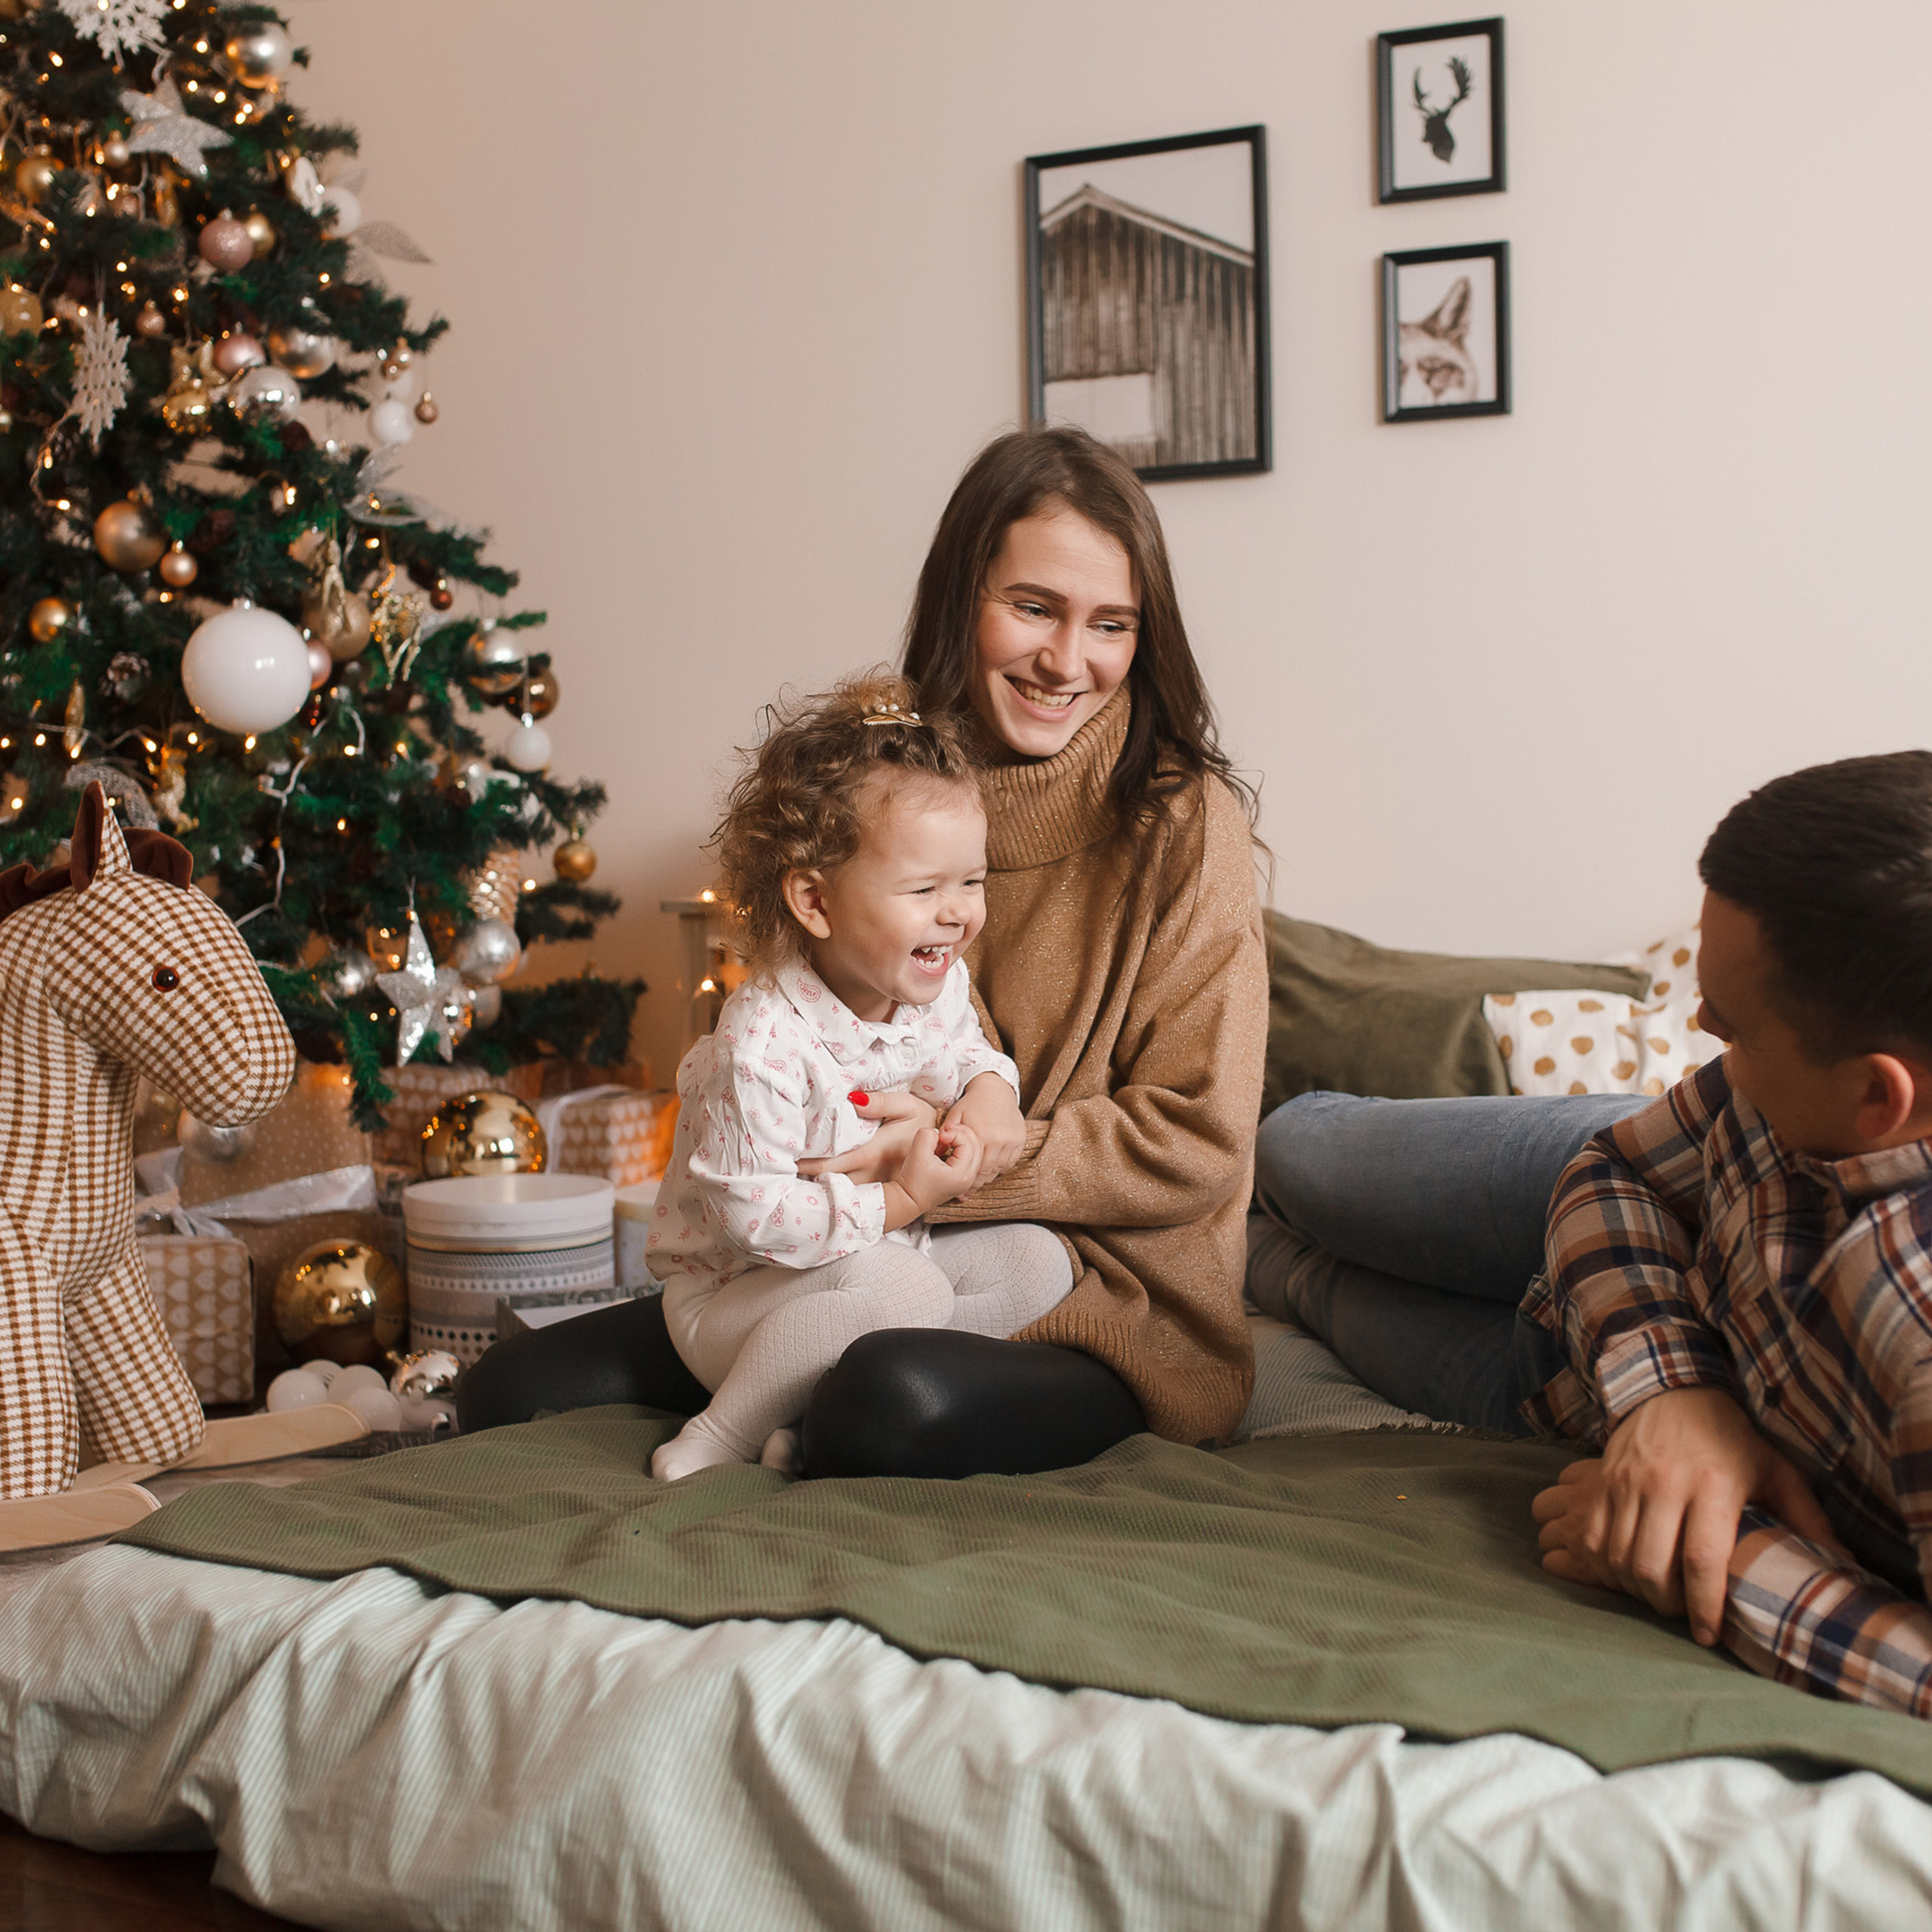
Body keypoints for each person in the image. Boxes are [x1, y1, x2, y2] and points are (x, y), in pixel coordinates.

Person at [460, 426, 1269, 1478]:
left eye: (1109, 624)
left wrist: (952, 1154)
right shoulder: (890, 782)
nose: (1069, 662)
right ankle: (784, 1378)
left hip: (1096, 1288)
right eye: (1033, 608)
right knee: (503, 1393)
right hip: (854, 1243)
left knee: (882, 1403)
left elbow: (1196, 1142)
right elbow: (807, 1024)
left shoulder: (1184, 820)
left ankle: (784, 1409)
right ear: (961, 597)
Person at [1250, 751, 1932, 1715]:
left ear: (1876, 1095)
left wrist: (1716, 1560)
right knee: (1290, 1150)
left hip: (1563, 1400)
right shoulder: (1824, 1068)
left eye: (1732, 1031)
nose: (1698, 1025)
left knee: (1274, 1269)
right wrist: (1676, 1391)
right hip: (1611, 1246)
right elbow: (1622, 1167)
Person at [647, 672, 1070, 1481]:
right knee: (908, 1292)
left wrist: (989, 1091)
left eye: (971, 881)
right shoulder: (761, 1042)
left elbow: (968, 1055)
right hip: (739, 1295)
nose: (958, 913)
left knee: (1037, 1262)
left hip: (879, 1256)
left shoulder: (933, 985)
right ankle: (723, 1430)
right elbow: (755, 1218)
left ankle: (816, 1415)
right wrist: (905, 1198)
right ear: (815, 901)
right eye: (924, 890)